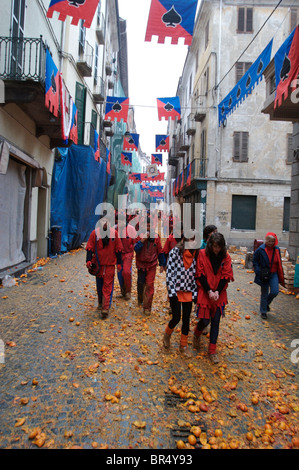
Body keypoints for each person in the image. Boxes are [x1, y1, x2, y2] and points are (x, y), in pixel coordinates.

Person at [193, 232, 234, 364]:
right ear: (211, 245)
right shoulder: (202, 254)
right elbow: (200, 274)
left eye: (219, 247)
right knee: (205, 321)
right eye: (215, 246)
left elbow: (226, 275)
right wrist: (209, 291)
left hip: (219, 293)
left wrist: (217, 291)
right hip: (205, 291)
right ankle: (197, 333)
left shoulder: (226, 257)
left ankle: (212, 351)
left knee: (216, 321)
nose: (217, 249)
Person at [163, 234, 198, 356]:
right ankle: (167, 334)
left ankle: (183, 345)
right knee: (176, 317)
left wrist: (195, 293)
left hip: (188, 290)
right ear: (185, 239)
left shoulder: (196, 254)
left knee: (187, 319)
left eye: (195, 239)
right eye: (191, 239)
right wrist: (171, 291)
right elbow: (170, 272)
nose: (193, 242)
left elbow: (196, 274)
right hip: (176, 290)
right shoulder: (175, 252)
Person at [86, 216, 123, 318]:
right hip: (98, 266)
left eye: (107, 221)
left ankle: (105, 308)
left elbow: (118, 249)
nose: (105, 223)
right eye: (103, 221)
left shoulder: (114, 234)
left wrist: (119, 263)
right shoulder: (95, 233)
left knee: (107, 287)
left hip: (110, 265)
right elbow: (90, 247)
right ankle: (101, 303)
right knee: (99, 286)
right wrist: (88, 261)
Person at [134, 218, 166, 315]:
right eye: (146, 225)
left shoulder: (156, 237)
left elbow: (160, 251)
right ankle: (140, 298)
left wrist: (162, 264)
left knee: (149, 284)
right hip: (141, 264)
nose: (148, 228)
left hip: (152, 264)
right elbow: (136, 249)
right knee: (141, 283)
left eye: (149, 226)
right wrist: (142, 241)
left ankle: (147, 307)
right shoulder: (139, 236)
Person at [253, 232, 285, 320]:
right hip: (264, 274)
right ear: (266, 241)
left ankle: (266, 304)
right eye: (269, 241)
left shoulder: (277, 249)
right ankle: (263, 311)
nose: (270, 243)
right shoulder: (260, 249)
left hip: (274, 274)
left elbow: (279, 262)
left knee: (275, 291)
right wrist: (258, 271)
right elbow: (255, 261)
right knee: (264, 292)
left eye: (272, 241)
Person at [117, 214, 137, 300]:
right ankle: (123, 291)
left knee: (126, 272)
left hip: (128, 253)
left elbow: (135, 241)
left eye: (121, 221)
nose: (120, 223)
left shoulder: (131, 229)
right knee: (119, 274)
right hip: (118, 254)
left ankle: (128, 291)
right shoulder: (115, 229)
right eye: (119, 221)